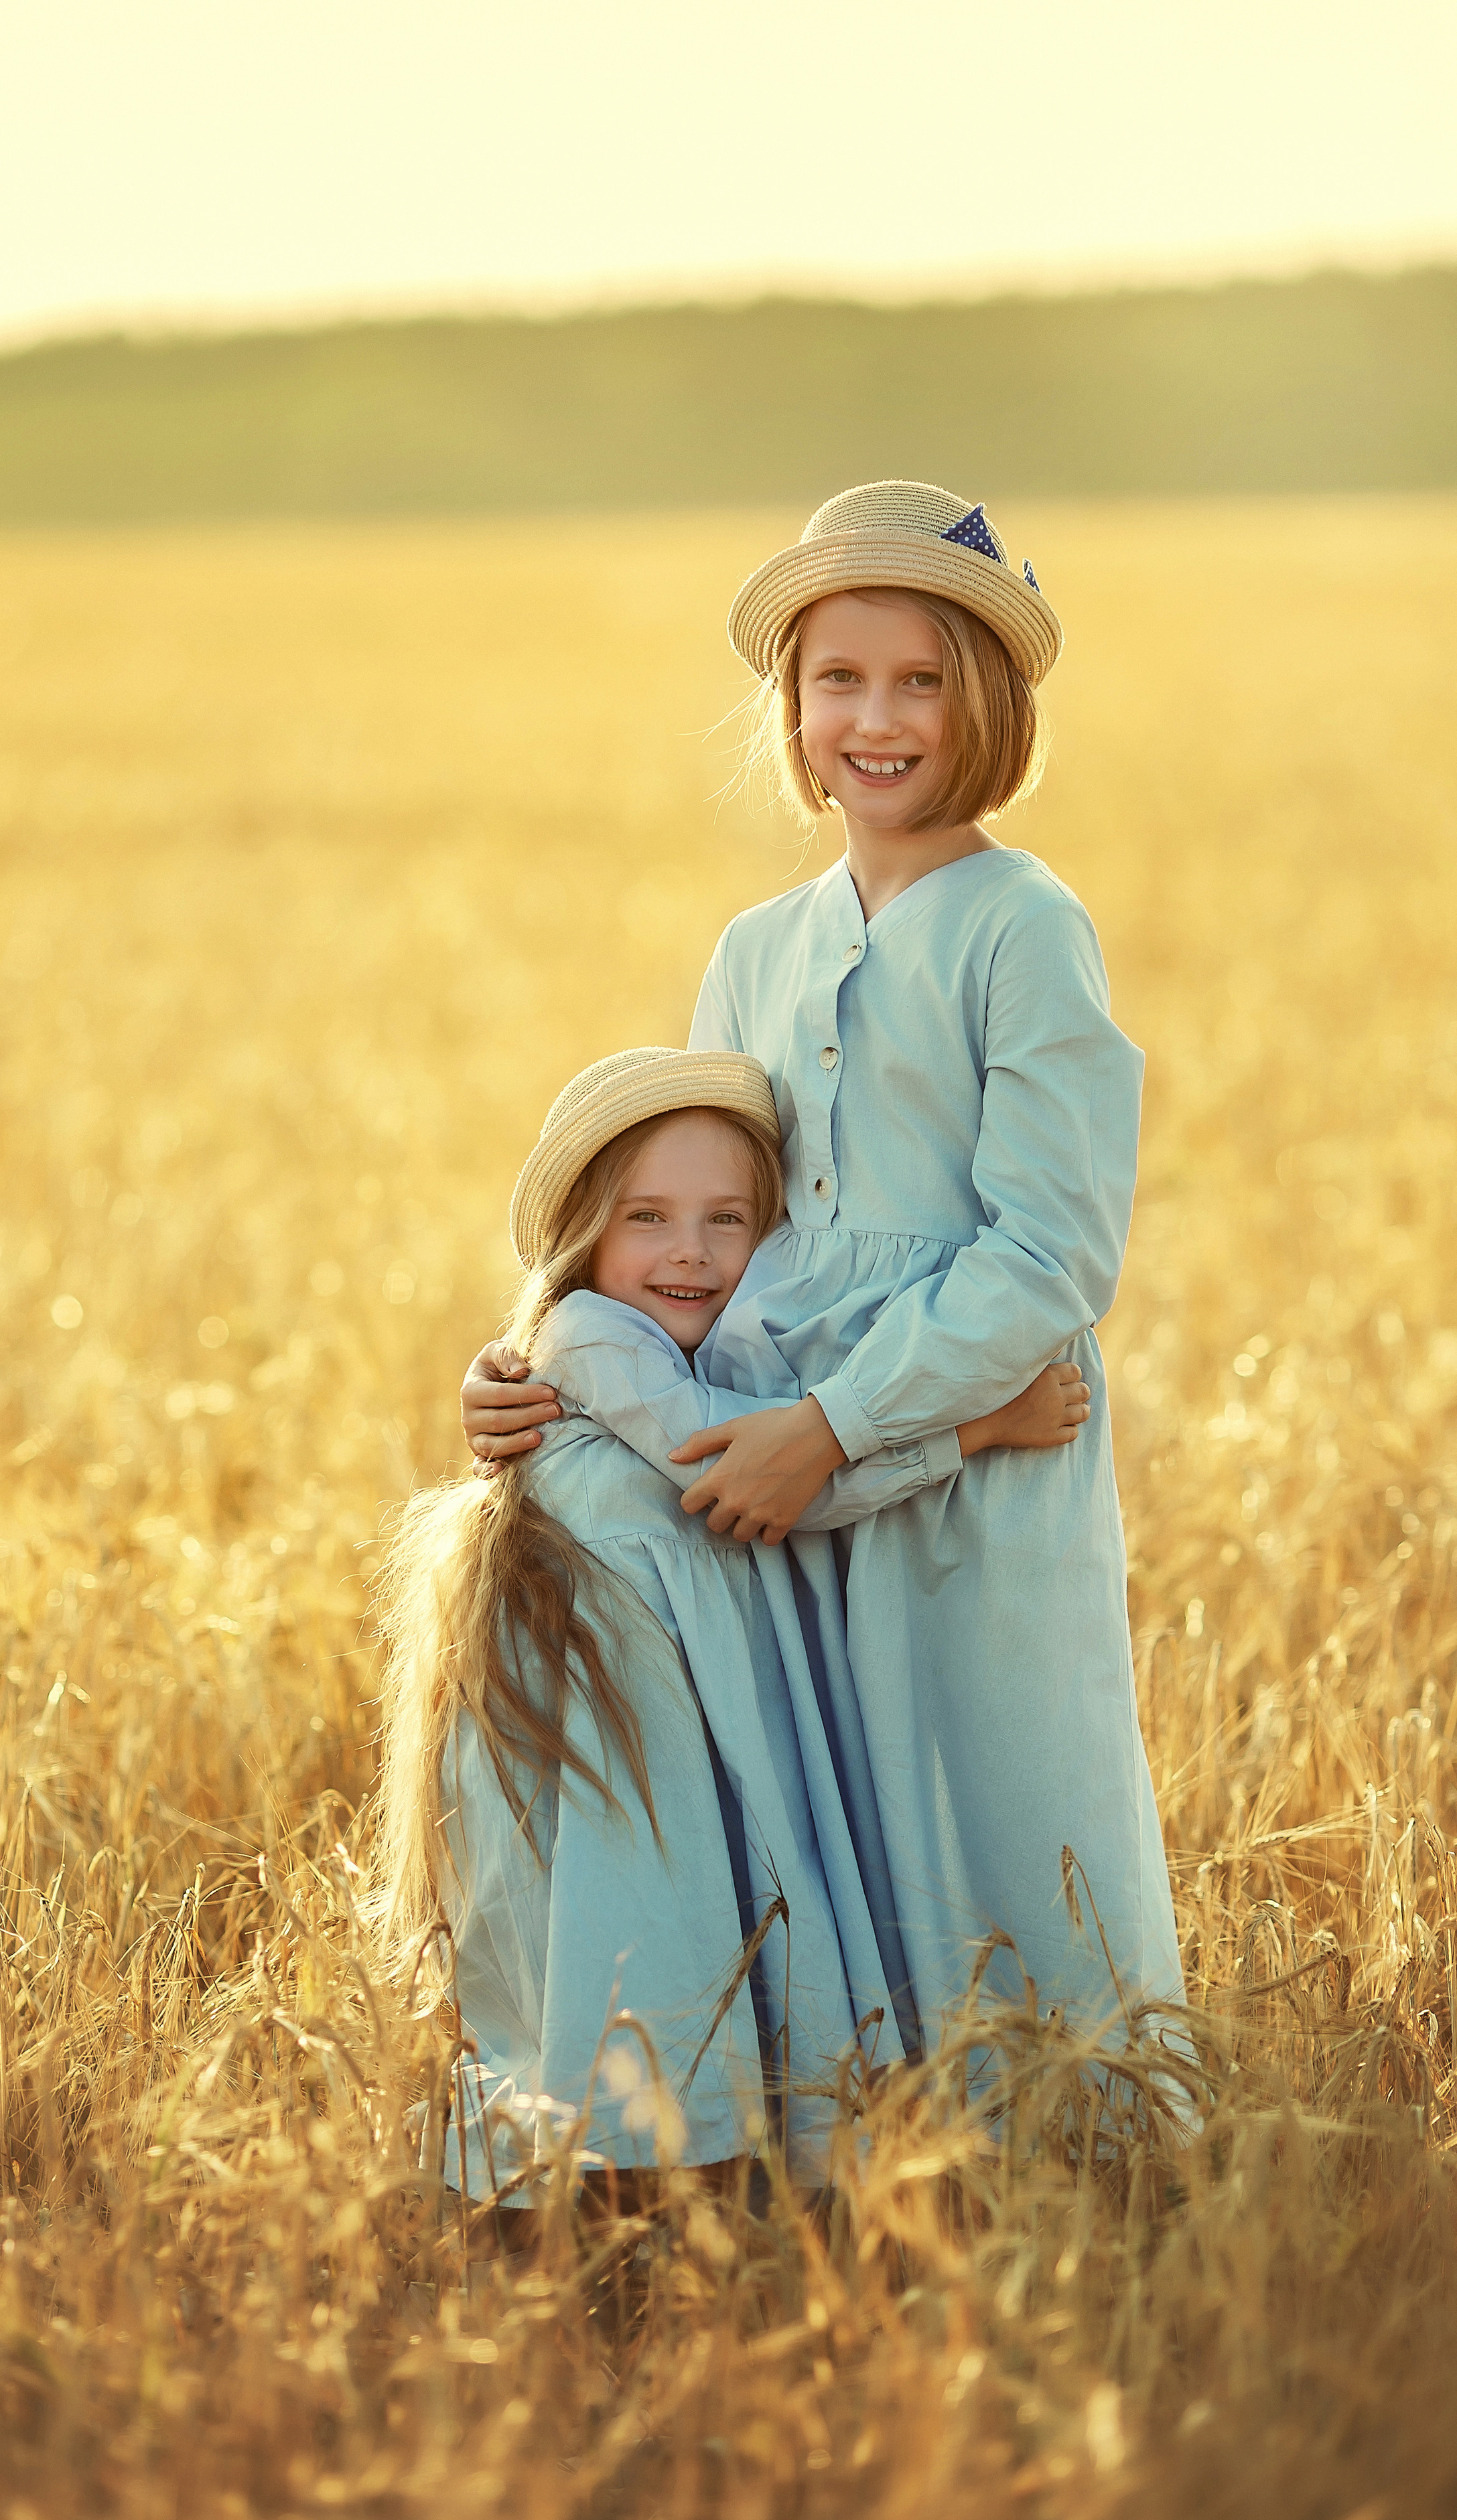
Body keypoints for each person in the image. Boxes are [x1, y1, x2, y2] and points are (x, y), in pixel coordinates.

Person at [462, 479, 1186, 2053]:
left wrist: (852, 1423)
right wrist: (534, 1364)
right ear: (788, 709)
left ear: (984, 701)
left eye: (919, 679)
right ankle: (854, 2132)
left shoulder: (1021, 926)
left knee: (996, 1791)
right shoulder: (752, 948)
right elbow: (687, 1230)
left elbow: (1050, 1252)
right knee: (823, 1794)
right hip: (778, 1465)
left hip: (961, 1440)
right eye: (834, 680)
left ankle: (1077, 2142)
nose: (876, 717)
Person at [370, 1046, 1089, 2213]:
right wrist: (972, 1428)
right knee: (619, 1955)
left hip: (639, 1703)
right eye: (647, 1216)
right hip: (601, 1709)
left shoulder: (649, 1344)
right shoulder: (592, 1339)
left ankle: (658, 2214)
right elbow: (757, 1466)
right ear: (585, 1238)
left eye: (728, 1219)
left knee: (655, 1952)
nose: (692, 1252)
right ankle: (609, 2214)